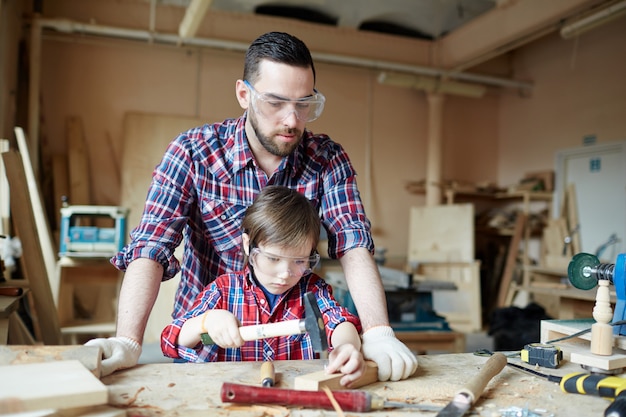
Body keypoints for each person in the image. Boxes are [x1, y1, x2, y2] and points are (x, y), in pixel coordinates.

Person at [86, 31, 418, 381]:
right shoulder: (193, 154)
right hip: (208, 352)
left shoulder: (326, 160)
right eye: (276, 103)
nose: (292, 120)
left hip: (293, 355)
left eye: (304, 104)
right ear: (244, 95)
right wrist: (128, 341)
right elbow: (151, 246)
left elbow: (353, 244)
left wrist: (378, 332)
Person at [161, 185, 365, 387]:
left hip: (292, 396)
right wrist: (206, 322)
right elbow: (172, 339)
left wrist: (346, 346)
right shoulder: (223, 290)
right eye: (273, 258)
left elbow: (338, 321)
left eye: (300, 261)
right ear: (247, 244)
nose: (286, 273)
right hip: (233, 398)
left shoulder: (313, 289)